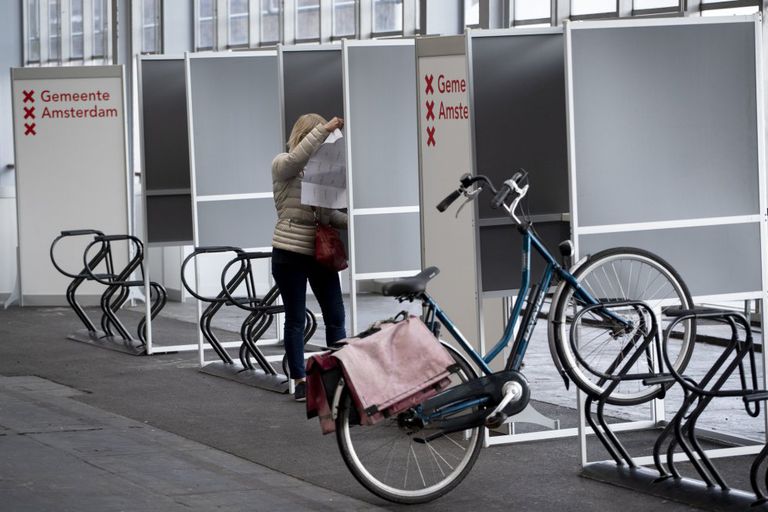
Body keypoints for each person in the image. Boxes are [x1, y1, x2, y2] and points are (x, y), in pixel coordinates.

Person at [271, 113, 348, 402]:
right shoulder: (283, 164)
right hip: (290, 251)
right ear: (306, 134)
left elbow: (329, 217)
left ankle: (339, 376)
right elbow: (296, 160)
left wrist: (357, 220)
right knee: (295, 318)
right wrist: (324, 129)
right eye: (318, 136)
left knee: (335, 315)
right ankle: (300, 380)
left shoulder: (322, 171)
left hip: (319, 252)